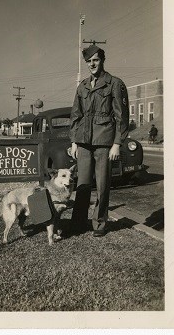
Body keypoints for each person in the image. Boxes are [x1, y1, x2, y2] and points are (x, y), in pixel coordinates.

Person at [69, 44, 129, 237]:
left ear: (102, 60)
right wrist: (74, 142)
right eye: (89, 61)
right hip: (84, 142)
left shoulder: (114, 84)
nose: (92, 64)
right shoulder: (83, 86)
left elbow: (122, 117)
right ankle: (78, 223)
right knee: (82, 185)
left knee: (102, 186)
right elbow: (75, 115)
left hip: (104, 143)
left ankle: (99, 224)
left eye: (95, 60)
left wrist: (117, 144)